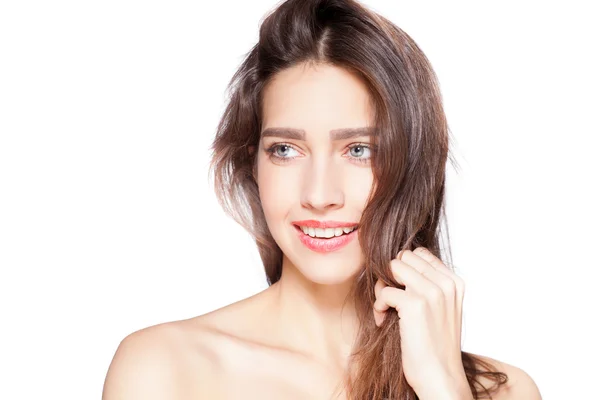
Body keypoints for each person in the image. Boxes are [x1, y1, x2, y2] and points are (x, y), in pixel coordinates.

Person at [102, 0, 542, 399]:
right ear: (253, 163)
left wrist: (444, 387)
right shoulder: (165, 372)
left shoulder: (503, 391)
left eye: (359, 150)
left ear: (411, 166)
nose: (319, 196)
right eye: (285, 150)